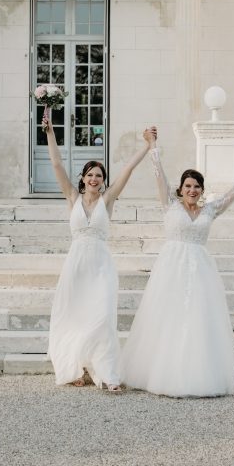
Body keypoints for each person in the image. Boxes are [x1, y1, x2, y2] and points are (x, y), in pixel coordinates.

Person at [121, 129, 234, 398]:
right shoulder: (170, 205)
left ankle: (196, 373)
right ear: (181, 189)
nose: (192, 190)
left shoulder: (210, 209)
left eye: (197, 186)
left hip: (200, 270)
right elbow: (158, 174)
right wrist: (152, 145)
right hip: (171, 268)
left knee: (197, 318)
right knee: (168, 318)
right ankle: (162, 371)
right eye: (188, 186)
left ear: (201, 191)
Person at [43, 116, 155, 393]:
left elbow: (128, 169)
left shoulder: (108, 199)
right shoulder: (72, 197)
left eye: (99, 175)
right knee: (75, 315)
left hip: (101, 265)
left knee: (102, 317)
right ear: (83, 178)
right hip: (77, 264)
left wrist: (147, 145)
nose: (94, 179)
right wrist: (50, 132)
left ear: (103, 181)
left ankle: (108, 375)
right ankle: (77, 367)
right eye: (90, 174)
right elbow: (57, 163)